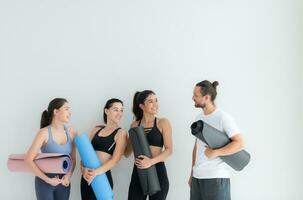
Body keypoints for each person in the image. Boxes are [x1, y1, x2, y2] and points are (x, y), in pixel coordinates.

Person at [189, 80, 245, 200]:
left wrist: (216, 152)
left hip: (215, 177)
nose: (193, 97)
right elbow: (196, 148)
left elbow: (240, 143)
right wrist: (192, 174)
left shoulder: (223, 117)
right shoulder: (198, 118)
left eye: (196, 95)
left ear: (207, 97)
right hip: (197, 177)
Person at [26, 98, 77, 200]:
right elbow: (28, 159)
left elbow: (73, 158)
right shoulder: (44, 133)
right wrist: (47, 180)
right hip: (45, 183)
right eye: (66, 109)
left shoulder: (72, 132)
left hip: (64, 183)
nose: (70, 113)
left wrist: (68, 175)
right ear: (56, 111)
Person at [125, 90, 173, 200]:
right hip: (138, 172)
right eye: (151, 101)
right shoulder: (134, 125)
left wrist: (150, 162)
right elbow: (127, 153)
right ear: (141, 105)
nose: (155, 104)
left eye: (156, 100)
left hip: (158, 171)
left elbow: (169, 150)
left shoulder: (162, 122)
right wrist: (116, 131)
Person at [80, 98, 127, 200]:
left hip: (102, 176)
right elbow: (84, 153)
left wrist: (95, 173)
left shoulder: (121, 133)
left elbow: (115, 160)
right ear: (106, 111)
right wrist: (83, 170)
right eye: (116, 109)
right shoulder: (96, 129)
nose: (119, 113)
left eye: (121, 110)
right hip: (87, 176)